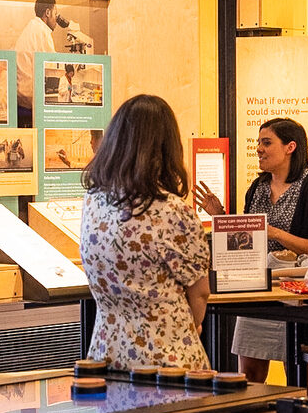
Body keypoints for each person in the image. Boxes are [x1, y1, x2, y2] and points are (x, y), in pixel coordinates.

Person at [196, 117, 308, 381]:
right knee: (248, 375)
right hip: (257, 289)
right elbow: (246, 241)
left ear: (290, 147)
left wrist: (273, 233)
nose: (258, 148)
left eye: (266, 142)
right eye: (258, 142)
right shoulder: (257, 187)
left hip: (294, 296)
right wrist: (221, 217)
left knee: (297, 374)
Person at [80, 94, 211, 369]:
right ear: (166, 148)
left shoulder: (93, 202)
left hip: (107, 354)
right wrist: (193, 325)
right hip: (167, 359)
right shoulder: (173, 211)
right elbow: (199, 293)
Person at [15, 0, 59, 126]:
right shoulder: (42, 31)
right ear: (47, 12)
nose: (56, 19)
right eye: (55, 14)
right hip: (29, 103)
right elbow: (53, 66)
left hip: (20, 98)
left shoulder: (31, 28)